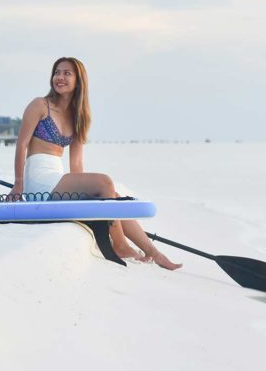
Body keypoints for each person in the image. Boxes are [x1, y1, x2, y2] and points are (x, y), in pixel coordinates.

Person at [10, 57, 182, 269]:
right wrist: (18, 185)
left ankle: (155, 253)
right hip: (39, 178)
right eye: (57, 72)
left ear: (78, 80)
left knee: (112, 197)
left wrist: (87, 195)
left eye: (67, 73)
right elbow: (21, 146)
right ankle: (119, 244)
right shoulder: (40, 105)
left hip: (60, 179)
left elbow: (77, 163)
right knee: (104, 182)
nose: (60, 77)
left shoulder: (79, 117)